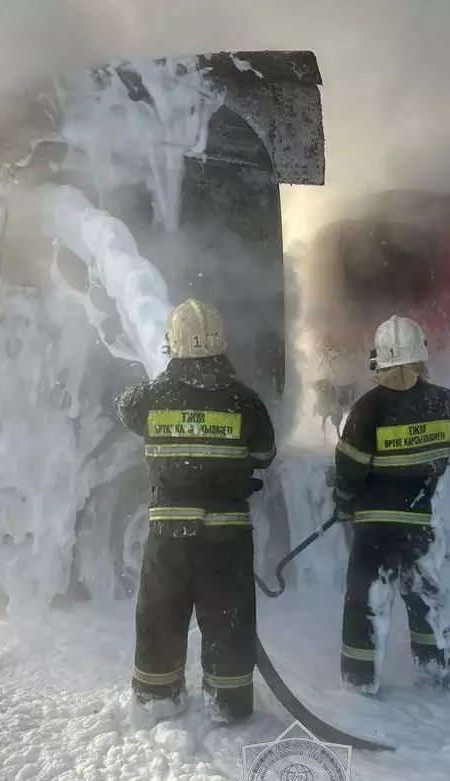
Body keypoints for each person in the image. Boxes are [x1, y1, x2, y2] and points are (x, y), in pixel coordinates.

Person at [115, 298, 277, 723]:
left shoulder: (151, 398)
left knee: (161, 612)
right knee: (228, 616)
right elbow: (264, 454)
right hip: (227, 533)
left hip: (169, 531)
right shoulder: (245, 401)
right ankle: (228, 704)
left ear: (173, 346)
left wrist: (166, 385)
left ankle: (156, 698)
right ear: (221, 345)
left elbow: (125, 407)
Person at [331, 315, 450, 696]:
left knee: (366, 602)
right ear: (420, 356)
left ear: (378, 360)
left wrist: (344, 502)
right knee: (425, 598)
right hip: (419, 521)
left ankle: (360, 680)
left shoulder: (368, 409)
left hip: (374, 527)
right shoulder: (443, 401)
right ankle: (436, 673)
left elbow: (349, 467)